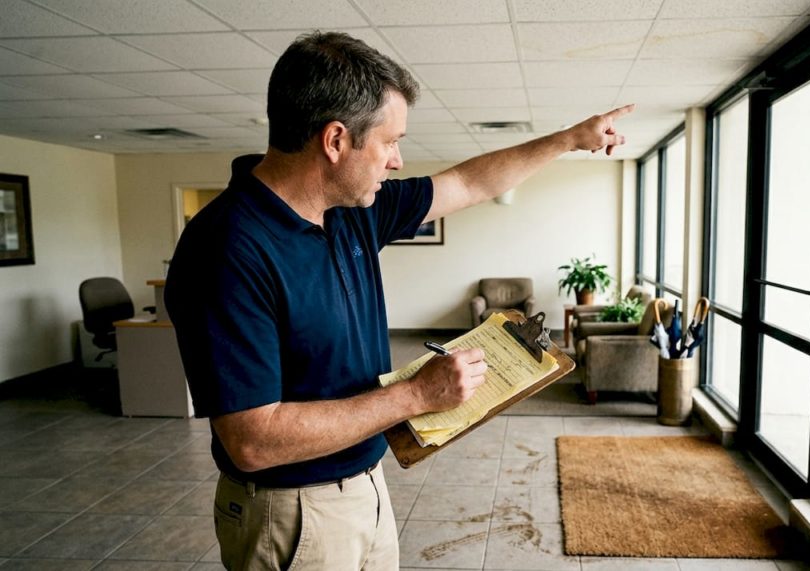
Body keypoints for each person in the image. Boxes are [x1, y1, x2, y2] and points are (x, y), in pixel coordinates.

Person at [164, 30, 633, 570]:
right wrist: (416, 396)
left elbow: (468, 183)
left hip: (365, 484)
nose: (396, 160)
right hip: (291, 513)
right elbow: (253, 441)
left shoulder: (351, 211)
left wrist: (568, 140)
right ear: (335, 141)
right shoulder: (227, 248)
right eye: (389, 142)